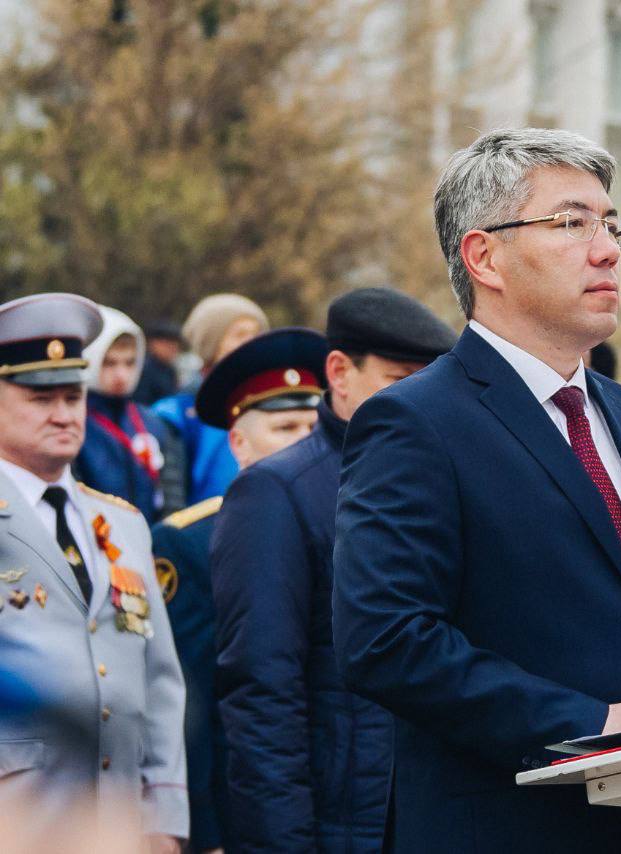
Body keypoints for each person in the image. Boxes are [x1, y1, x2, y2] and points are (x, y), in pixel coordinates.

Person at [331, 127, 621, 854]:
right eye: (571, 223)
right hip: (505, 824)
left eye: (610, 224)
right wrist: (594, 725)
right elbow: (388, 639)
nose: (608, 248)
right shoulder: (416, 421)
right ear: (484, 256)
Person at [213, 289, 456, 853]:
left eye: (430, 382)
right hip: (340, 824)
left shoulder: (445, 482)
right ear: (340, 374)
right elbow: (263, 694)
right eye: (399, 380)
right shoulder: (278, 492)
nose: (420, 400)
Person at [0, 293, 187, 849]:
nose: (63, 414)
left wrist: (165, 819)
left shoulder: (122, 523)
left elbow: (159, 682)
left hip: (118, 823)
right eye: (40, 398)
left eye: (73, 395)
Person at [152, 328, 326, 854]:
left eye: (313, 426)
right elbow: (189, 703)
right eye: (285, 427)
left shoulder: (350, 527)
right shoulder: (187, 543)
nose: (304, 441)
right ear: (239, 443)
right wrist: (203, 832)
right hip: (240, 804)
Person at [153, 294, 269, 504]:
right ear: (211, 343)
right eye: (240, 334)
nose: (251, 343)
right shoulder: (177, 414)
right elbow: (173, 498)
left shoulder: (268, 403)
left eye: (256, 334)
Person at [76, 306, 185, 523]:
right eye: (109, 363)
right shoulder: (75, 422)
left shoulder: (152, 422)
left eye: (129, 362)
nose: (121, 375)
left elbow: (173, 496)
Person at [134, 321, 183, 406]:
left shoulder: (170, 370)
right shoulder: (144, 369)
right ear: (153, 343)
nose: (173, 349)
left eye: (175, 344)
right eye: (167, 344)